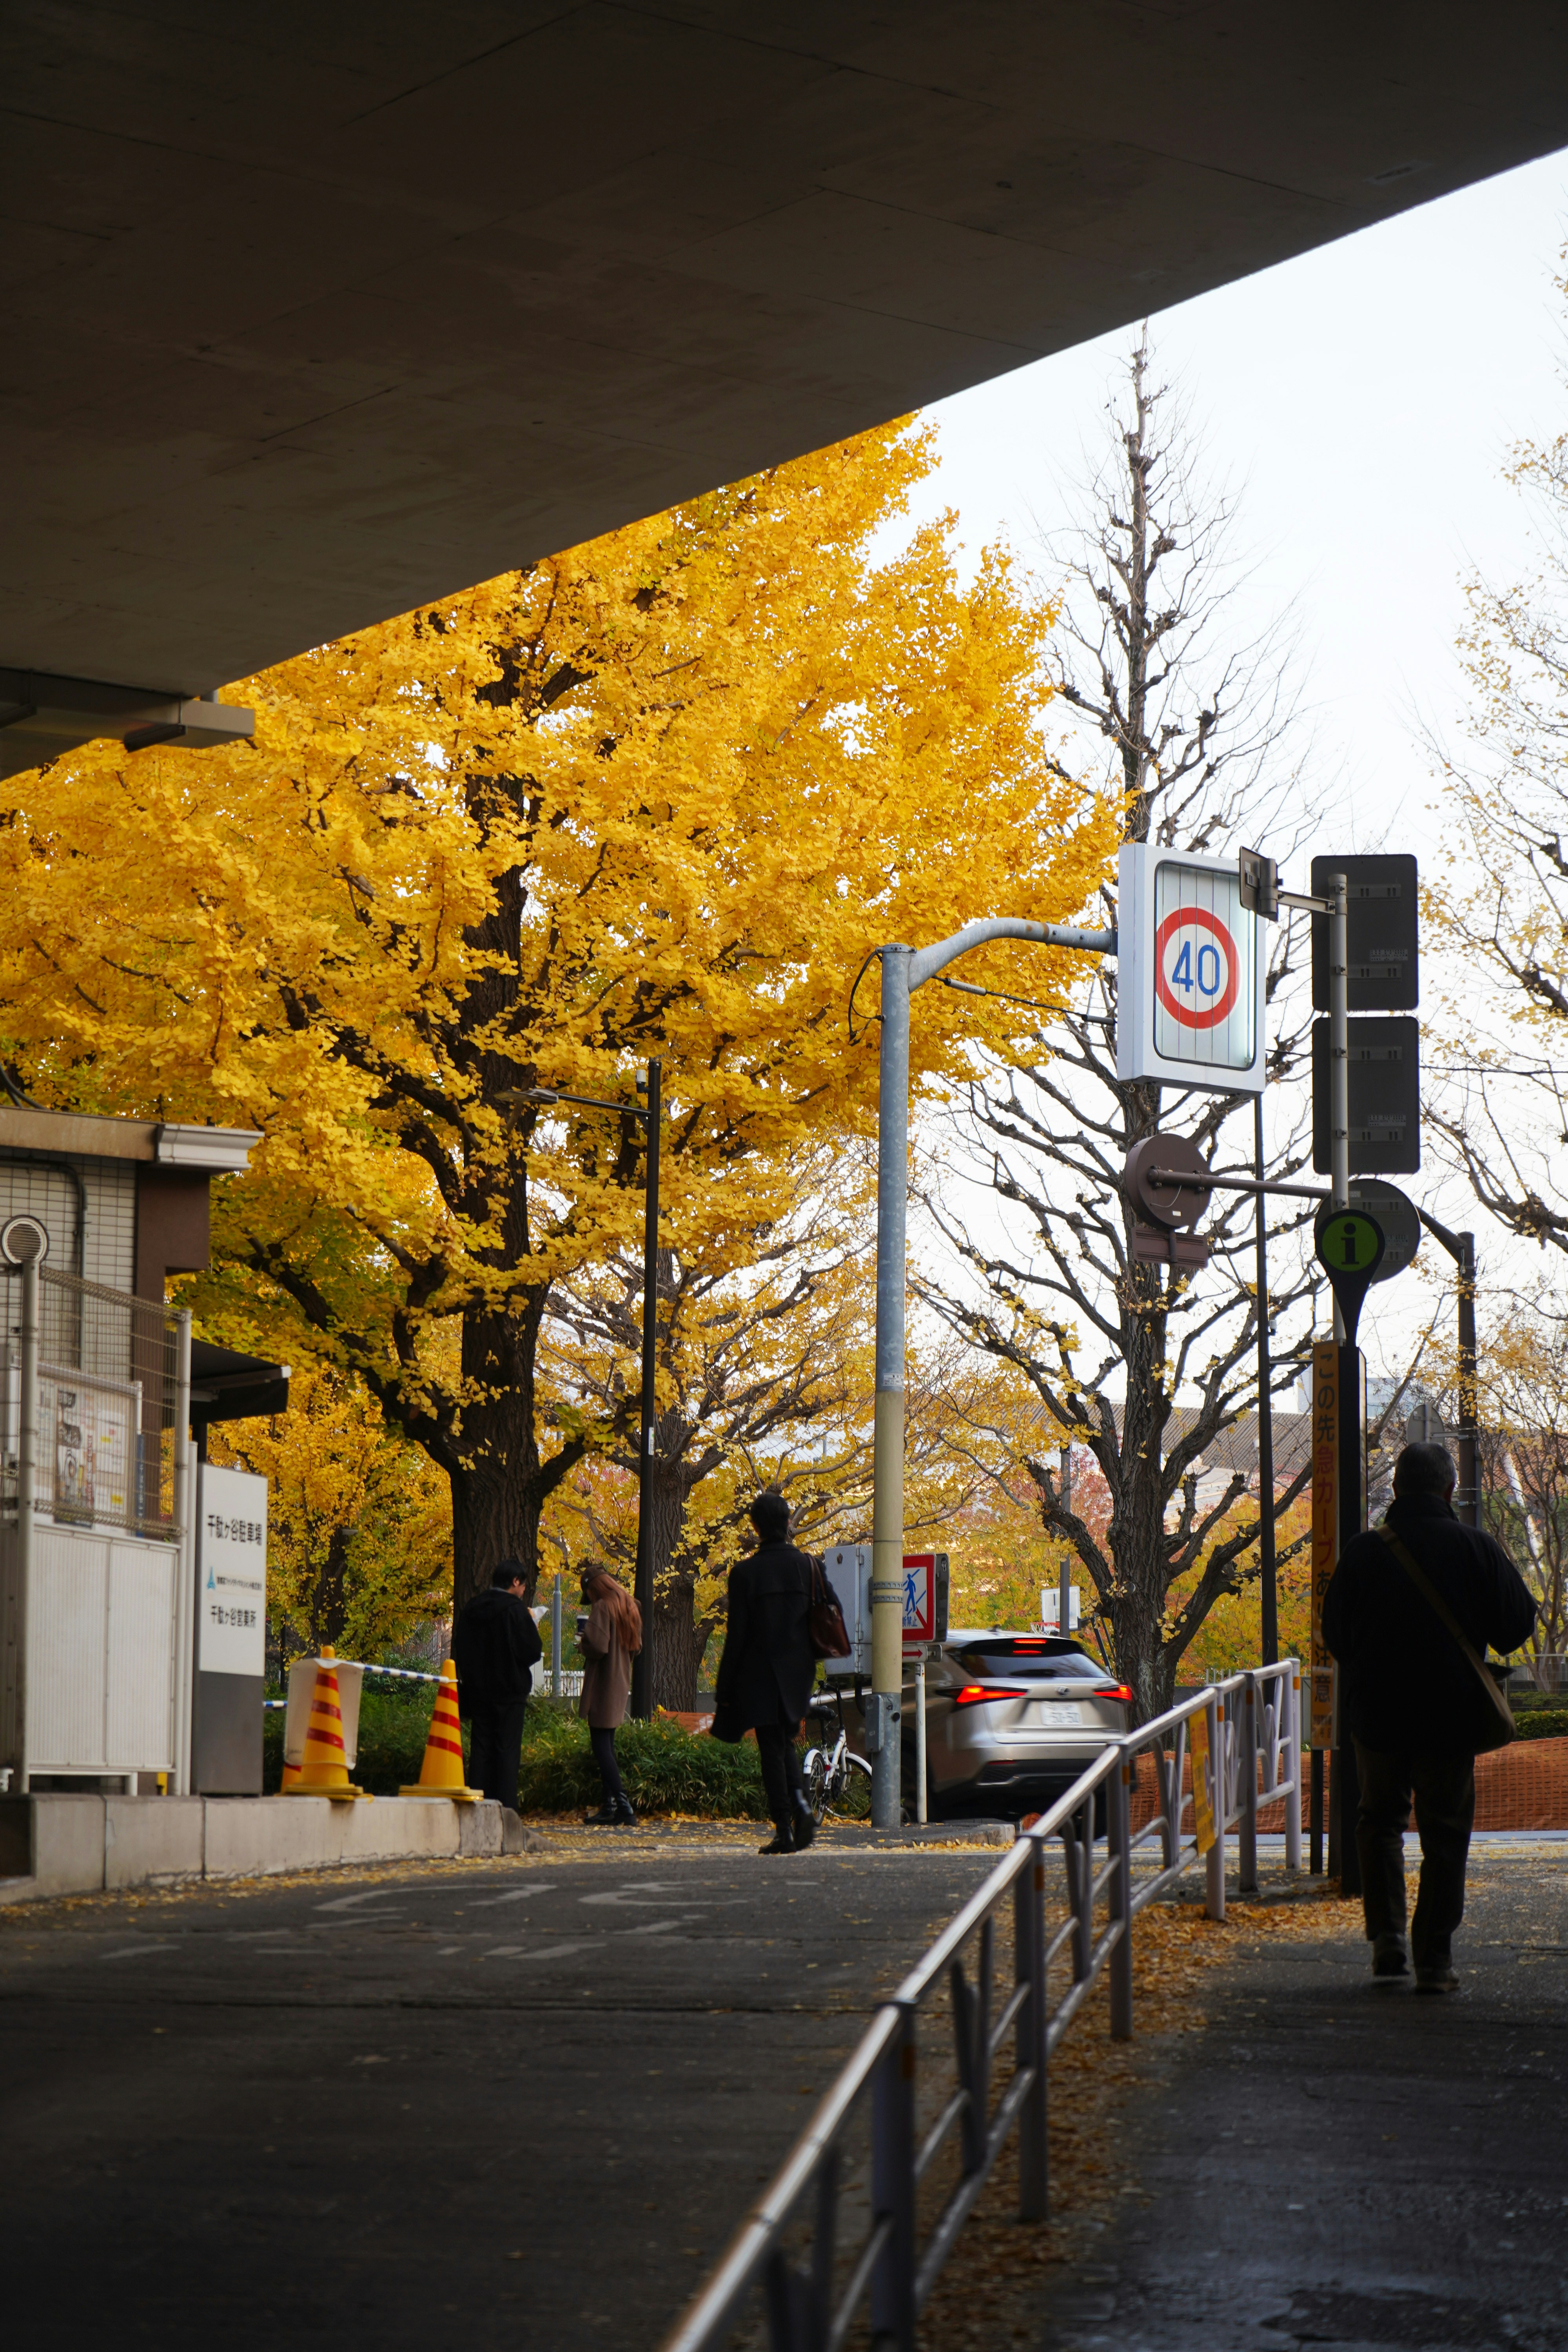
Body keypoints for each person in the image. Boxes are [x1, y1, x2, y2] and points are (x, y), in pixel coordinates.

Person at [1323, 1441, 1535, 1993]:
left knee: (1379, 1821)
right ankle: (1435, 1960)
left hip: (1377, 1715)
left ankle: (1387, 1940)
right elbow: (1515, 1627)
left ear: (1395, 1490)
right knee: (1444, 1833)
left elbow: (1337, 1636)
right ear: (1448, 1490)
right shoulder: (1476, 1548)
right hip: (1449, 1715)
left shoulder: (1363, 1553)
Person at [711, 1490, 818, 1855]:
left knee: (772, 1748)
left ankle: (788, 1825)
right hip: (799, 1671)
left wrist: (725, 1685)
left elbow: (737, 1636)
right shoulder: (807, 1566)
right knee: (781, 1742)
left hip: (761, 1672)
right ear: (789, 1523)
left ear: (755, 1527)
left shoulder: (745, 1574)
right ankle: (798, 1811)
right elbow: (826, 1611)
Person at [451, 1558, 544, 1811]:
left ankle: (478, 1805)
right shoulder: (515, 1611)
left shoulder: (473, 1608)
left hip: (478, 1691)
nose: (524, 1590)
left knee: (481, 1748)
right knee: (507, 1750)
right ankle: (505, 1808)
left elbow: (462, 1648)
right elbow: (532, 1651)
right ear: (515, 1582)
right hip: (510, 1691)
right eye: (524, 1585)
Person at [580, 1563, 642, 1827]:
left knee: (601, 1746)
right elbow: (636, 1647)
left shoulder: (603, 1607)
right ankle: (610, 1807)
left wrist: (582, 1639)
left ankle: (623, 1807)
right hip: (621, 1679)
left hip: (603, 1681)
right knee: (608, 1744)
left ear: (594, 1589)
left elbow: (597, 1645)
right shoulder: (630, 1606)